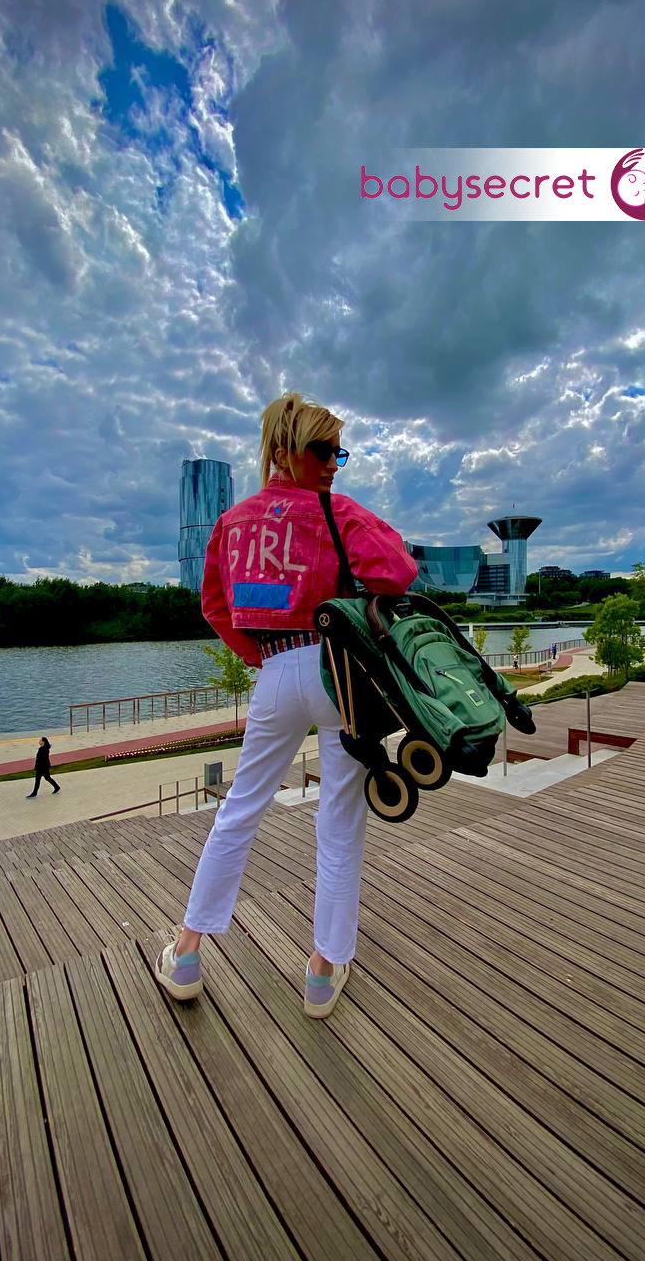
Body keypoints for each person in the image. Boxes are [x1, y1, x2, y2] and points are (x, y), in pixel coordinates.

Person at [155, 392, 417, 1017]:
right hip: (338, 673)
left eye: (339, 453)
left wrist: (262, 657)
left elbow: (215, 606)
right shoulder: (335, 512)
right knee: (339, 819)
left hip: (275, 670)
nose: (332, 464)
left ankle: (187, 954)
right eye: (321, 450)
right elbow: (398, 572)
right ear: (283, 450)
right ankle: (323, 970)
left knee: (240, 808)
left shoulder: (232, 523)